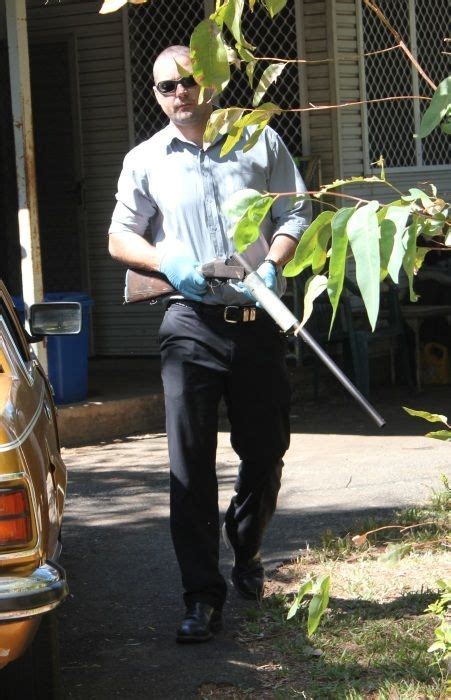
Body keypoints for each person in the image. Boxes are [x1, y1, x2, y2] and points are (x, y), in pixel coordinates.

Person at [108, 45, 311, 644]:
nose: (179, 94)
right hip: (188, 323)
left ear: (210, 81)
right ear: (157, 94)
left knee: (266, 451)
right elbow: (120, 236)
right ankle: (201, 597)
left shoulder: (260, 142)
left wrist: (274, 264)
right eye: (167, 87)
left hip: (256, 321)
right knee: (189, 469)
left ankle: (244, 546)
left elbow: (296, 213)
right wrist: (167, 259)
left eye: (189, 82)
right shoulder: (145, 160)